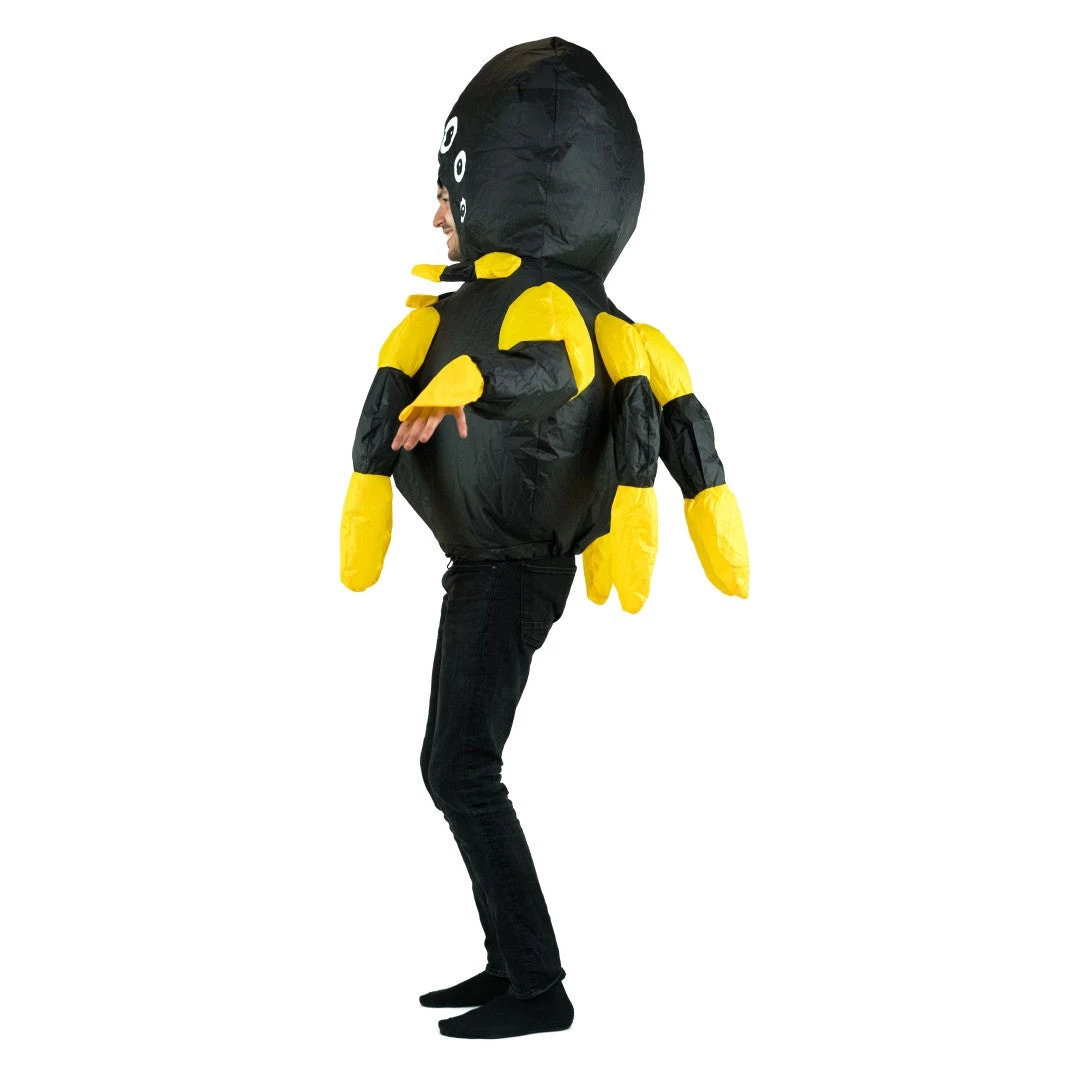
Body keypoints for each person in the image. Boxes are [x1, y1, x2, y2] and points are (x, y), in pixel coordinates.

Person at [340, 36, 748, 1041]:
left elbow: (554, 374)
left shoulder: (553, 308)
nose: (437, 215)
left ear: (498, 184)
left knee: (460, 768)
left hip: (517, 568)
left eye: (448, 192)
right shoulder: (468, 305)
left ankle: (538, 987)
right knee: (450, 764)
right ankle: (511, 964)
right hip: (483, 567)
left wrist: (470, 379)